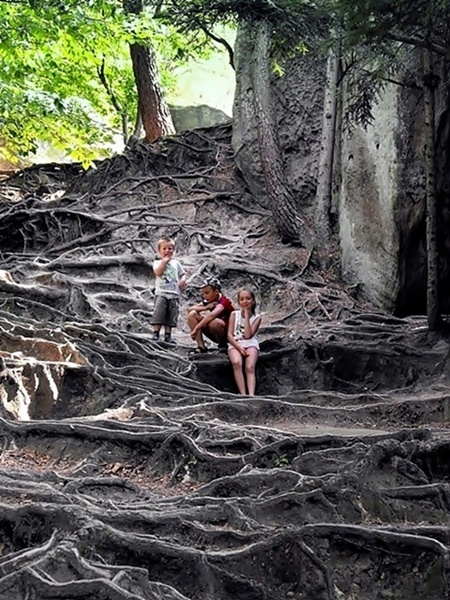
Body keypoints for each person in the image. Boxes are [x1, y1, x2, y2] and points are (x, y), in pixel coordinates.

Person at [151, 236, 186, 345]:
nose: (167, 251)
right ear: (159, 251)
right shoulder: (157, 262)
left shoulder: (176, 263)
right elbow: (158, 273)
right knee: (159, 313)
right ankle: (156, 333)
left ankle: (168, 335)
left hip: (174, 293)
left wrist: (183, 280)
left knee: (171, 315)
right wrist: (164, 262)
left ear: (174, 250)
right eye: (164, 249)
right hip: (161, 292)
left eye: (170, 248)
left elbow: (183, 273)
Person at [227, 288, 262, 395]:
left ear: (253, 301)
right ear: (238, 302)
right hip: (236, 343)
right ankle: (243, 394)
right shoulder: (234, 314)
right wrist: (238, 347)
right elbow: (229, 335)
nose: (245, 301)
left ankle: (251, 395)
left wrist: (247, 315)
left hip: (251, 343)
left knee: (249, 367)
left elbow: (248, 335)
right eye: (242, 299)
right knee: (237, 362)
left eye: (248, 298)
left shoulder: (257, 318)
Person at [187, 276, 234, 354]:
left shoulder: (224, 301)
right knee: (192, 315)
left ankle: (223, 346)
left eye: (207, 293)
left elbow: (212, 315)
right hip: (214, 332)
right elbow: (190, 309)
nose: (204, 296)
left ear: (216, 292)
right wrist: (205, 308)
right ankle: (201, 346)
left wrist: (196, 329)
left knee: (215, 322)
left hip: (227, 333)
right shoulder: (209, 301)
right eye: (203, 293)